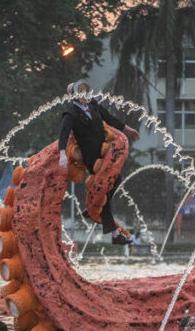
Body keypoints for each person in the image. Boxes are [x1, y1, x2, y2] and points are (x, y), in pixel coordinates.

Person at [58, 79, 140, 245]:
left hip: (104, 153)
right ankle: (115, 234)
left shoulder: (93, 105)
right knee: (104, 189)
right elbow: (64, 133)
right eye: (81, 91)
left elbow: (109, 118)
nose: (85, 94)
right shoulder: (71, 114)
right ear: (75, 95)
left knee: (114, 182)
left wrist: (127, 129)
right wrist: (62, 154)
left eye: (86, 90)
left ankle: (93, 209)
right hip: (92, 159)